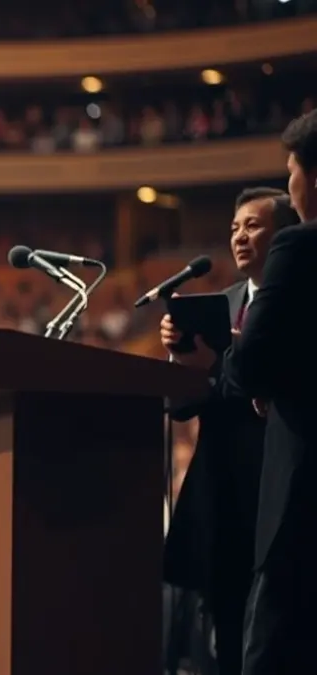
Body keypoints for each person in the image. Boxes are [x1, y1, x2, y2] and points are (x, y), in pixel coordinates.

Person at [161, 187, 299, 675]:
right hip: (220, 491)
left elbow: (273, 382)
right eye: (235, 227)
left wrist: (219, 364)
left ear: (285, 236)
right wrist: (179, 363)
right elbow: (183, 404)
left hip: (275, 484)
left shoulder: (296, 302)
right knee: (222, 629)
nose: (240, 236)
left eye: (254, 226)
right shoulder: (221, 304)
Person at [225, 110, 317, 674]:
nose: (290, 184)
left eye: (292, 172)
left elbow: (250, 365)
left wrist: (242, 366)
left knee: (275, 652)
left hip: (301, 490)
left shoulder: (298, 248)